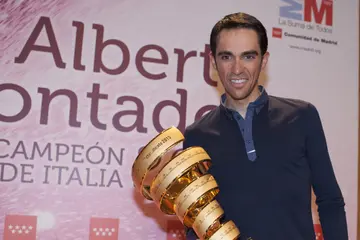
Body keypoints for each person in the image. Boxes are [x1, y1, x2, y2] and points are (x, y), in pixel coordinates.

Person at [183, 12, 348, 240]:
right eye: (227, 57)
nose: (237, 69)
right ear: (213, 61)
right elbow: (196, 224)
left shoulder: (302, 117)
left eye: (248, 57)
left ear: (264, 60)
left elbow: (330, 200)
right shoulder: (196, 136)